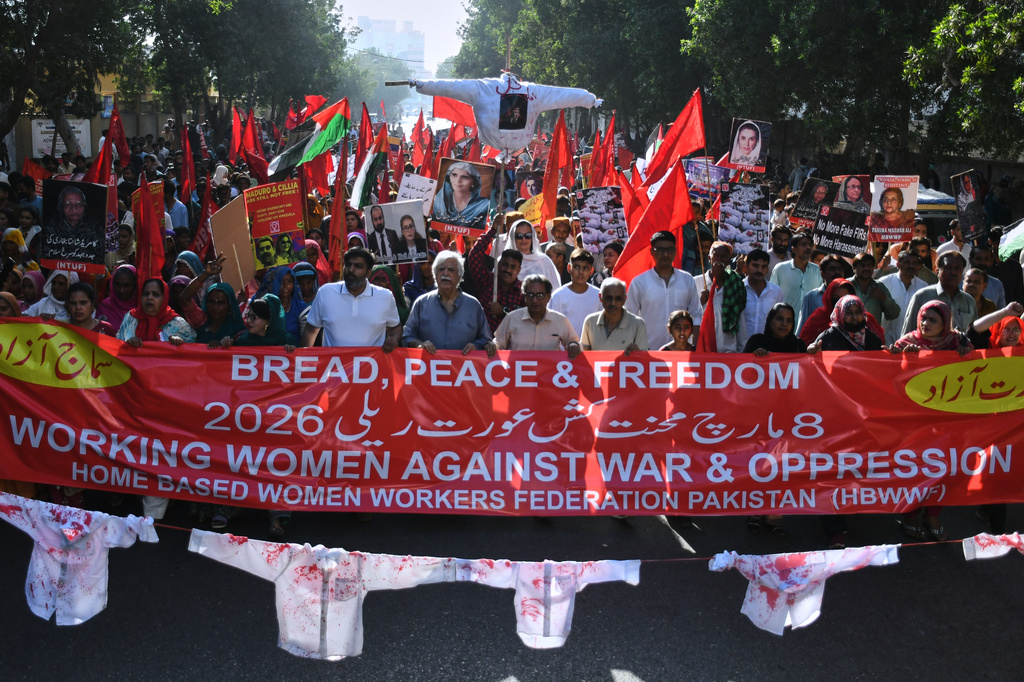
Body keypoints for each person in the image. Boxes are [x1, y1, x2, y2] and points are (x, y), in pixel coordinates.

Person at [301, 246, 401, 351]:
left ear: (368, 272)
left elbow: (395, 328)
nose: (351, 270)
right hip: (334, 366)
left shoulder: (385, 296)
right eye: (348, 265)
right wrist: (301, 360)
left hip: (371, 366)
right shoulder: (325, 292)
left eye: (358, 266)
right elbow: (311, 330)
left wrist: (393, 338)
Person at [402, 251, 494, 355]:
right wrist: (418, 344)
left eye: (451, 270)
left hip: (464, 369)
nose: (445, 273)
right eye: (441, 269)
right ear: (435, 274)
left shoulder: (473, 305)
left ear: (460, 275)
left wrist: (477, 345)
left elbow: (486, 339)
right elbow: (407, 335)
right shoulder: (421, 303)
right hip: (430, 369)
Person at [625, 231, 703, 350]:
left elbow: (696, 314)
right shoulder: (639, 282)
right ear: (652, 252)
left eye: (670, 250)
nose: (665, 254)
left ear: (675, 251)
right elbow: (629, 318)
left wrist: (696, 348)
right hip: (648, 352)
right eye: (660, 250)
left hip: (681, 353)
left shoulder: (687, 280)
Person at [493, 274, 581, 357]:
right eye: (530, 295)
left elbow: (573, 341)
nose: (535, 300)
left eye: (540, 295)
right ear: (525, 297)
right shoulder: (511, 318)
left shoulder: (560, 320)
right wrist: (492, 346)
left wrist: (573, 345)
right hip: (518, 371)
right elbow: (498, 344)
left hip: (550, 371)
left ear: (548, 297)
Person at [466, 217, 525, 333]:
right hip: (484, 341)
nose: (507, 269)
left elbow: (524, 317)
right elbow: (474, 255)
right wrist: (492, 231)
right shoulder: (487, 281)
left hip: (511, 345)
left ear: (519, 271)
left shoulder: (523, 291)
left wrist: (503, 310)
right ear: (498, 265)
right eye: (505, 265)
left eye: (513, 267)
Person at [902, 252, 977, 336]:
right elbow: (907, 336)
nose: (953, 272)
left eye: (958, 268)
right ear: (937, 271)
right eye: (948, 268)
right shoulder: (922, 296)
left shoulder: (969, 301)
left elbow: (973, 336)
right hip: (928, 349)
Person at [694, 241, 747, 352]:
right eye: (716, 255)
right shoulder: (695, 282)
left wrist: (742, 351)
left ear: (729, 260)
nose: (719, 259)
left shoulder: (735, 283)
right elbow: (688, 315)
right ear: (709, 258)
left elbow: (739, 318)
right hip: (702, 350)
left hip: (728, 352)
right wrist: (701, 302)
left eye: (723, 256)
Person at [116, 278, 195, 347]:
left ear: (164, 298)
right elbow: (118, 345)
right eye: (146, 294)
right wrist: (128, 344)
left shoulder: (178, 324)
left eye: (155, 294)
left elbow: (191, 351)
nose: (149, 298)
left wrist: (181, 343)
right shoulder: (131, 318)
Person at [579, 277, 648, 354]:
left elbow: (644, 359)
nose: (613, 303)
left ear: (625, 299)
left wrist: (638, 352)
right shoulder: (590, 322)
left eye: (618, 298)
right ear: (600, 297)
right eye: (608, 298)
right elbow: (585, 356)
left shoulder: (638, 324)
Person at [42, 185, 104, 264]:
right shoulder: (50, 228)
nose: (74, 209)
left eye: (79, 204)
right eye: (68, 204)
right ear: (61, 207)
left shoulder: (96, 228)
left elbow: (99, 259)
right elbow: (46, 256)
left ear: (84, 207)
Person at [877, 250, 928, 345]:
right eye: (907, 262)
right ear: (898, 264)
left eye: (914, 263)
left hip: (912, 344)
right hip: (887, 342)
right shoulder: (885, 282)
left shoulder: (924, 287)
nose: (911, 266)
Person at [550, 248, 601, 336]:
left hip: (591, 349)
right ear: (569, 268)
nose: (581, 272)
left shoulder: (599, 295)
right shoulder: (558, 296)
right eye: (576, 267)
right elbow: (552, 327)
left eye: (585, 268)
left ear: (591, 271)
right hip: (565, 348)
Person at [741, 248, 784, 349]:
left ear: (767, 270)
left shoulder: (776, 291)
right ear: (746, 267)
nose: (759, 270)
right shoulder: (738, 289)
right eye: (755, 266)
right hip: (741, 350)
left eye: (763, 267)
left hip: (767, 351)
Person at [809, 295, 886, 352]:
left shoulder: (872, 339)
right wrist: (813, 353)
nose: (854, 317)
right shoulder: (827, 339)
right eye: (849, 313)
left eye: (858, 312)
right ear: (840, 315)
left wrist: (891, 354)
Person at [769, 231, 822, 309]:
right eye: (804, 244)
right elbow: (772, 296)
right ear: (793, 249)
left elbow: (820, 297)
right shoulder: (780, 269)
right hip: (786, 320)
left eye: (810, 245)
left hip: (809, 320)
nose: (808, 247)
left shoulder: (817, 270)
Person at [432, 161, 490, 230]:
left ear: (473, 182)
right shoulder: (438, 201)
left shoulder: (484, 205)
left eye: (464, 177)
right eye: (454, 175)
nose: (458, 180)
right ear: (449, 178)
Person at [505, 218, 561, 284]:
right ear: (513, 237)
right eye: (519, 236)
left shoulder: (543, 261)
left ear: (533, 237)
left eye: (528, 236)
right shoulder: (504, 261)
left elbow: (554, 288)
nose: (524, 239)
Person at [743, 302, 807, 355]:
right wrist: (753, 356)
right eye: (779, 319)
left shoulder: (798, 345)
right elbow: (742, 365)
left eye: (789, 320)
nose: (784, 324)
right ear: (770, 320)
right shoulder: (756, 342)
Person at [195, 282, 245, 347]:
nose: (215, 307)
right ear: (206, 303)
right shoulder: (199, 325)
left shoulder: (238, 330)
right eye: (211, 302)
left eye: (221, 303)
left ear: (229, 305)